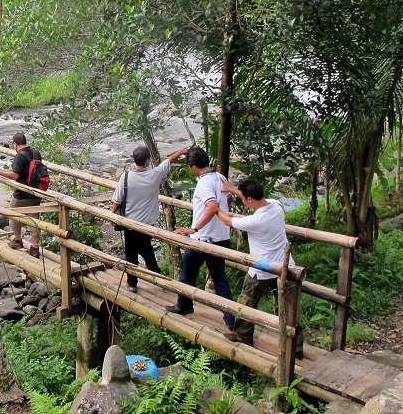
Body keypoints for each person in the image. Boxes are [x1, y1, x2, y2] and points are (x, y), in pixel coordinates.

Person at [217, 178, 298, 349]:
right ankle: (295, 346)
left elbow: (227, 220)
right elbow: (250, 196)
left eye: (244, 198)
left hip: (262, 269)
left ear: (250, 200)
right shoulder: (277, 206)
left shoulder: (254, 221)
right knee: (287, 307)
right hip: (285, 266)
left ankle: (243, 335)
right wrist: (232, 189)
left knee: (247, 300)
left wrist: (213, 206)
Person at [167, 146, 235, 329]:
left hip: (203, 238)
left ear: (193, 166)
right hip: (221, 236)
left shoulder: (204, 183)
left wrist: (193, 228)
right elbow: (227, 201)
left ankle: (184, 305)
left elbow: (212, 207)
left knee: (187, 272)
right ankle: (231, 318)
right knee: (219, 277)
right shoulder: (220, 178)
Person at [112, 145, 188, 293]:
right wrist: (181, 151)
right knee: (147, 250)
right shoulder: (155, 175)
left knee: (131, 255)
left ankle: (132, 284)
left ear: (134, 160)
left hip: (129, 224)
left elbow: (117, 201)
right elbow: (169, 160)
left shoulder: (126, 177)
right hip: (147, 225)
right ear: (148, 160)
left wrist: (113, 215)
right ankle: (157, 277)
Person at [0, 133, 44, 258]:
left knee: (13, 216)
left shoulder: (19, 157)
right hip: (36, 192)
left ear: (15, 143)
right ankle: (35, 248)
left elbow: (15, 176)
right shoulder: (36, 153)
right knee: (34, 220)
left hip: (22, 193)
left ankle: (17, 240)